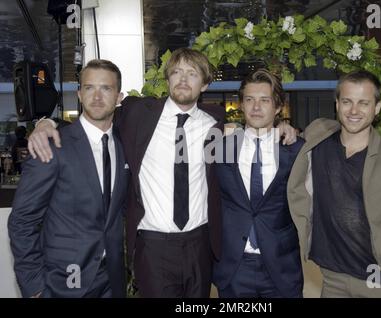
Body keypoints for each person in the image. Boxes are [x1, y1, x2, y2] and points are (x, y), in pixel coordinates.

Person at [27, 48, 297, 298]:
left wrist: (283, 127)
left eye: (192, 74)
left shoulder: (215, 122)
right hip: (152, 247)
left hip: (200, 245)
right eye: (177, 72)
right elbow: (97, 114)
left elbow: (254, 138)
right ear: (168, 79)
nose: (183, 79)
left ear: (204, 85)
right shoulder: (137, 113)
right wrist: (46, 123)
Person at [287, 70, 381, 298]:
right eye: (347, 102)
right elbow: (290, 137)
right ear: (337, 104)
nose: (354, 111)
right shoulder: (318, 137)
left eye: (363, 103)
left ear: (377, 107)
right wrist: (281, 127)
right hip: (332, 279)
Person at [8, 59, 129, 297]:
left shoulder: (126, 143)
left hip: (111, 281)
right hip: (62, 282)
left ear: (118, 97)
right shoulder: (51, 146)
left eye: (106, 88)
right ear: (80, 95)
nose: (96, 96)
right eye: (89, 88)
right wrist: (34, 287)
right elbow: (22, 221)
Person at [213, 69, 304, 298]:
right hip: (234, 268)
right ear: (241, 105)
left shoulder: (297, 150)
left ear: (277, 107)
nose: (256, 107)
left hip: (281, 268)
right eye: (249, 100)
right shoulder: (220, 149)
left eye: (264, 100)